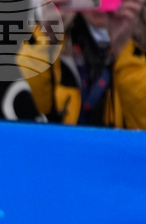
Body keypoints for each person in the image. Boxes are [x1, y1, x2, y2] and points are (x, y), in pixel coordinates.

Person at [19, 0, 146, 128]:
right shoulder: (60, 38)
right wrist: (44, 37)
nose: (99, 2)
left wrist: (123, 50)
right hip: (66, 144)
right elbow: (28, 110)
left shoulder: (141, 42)